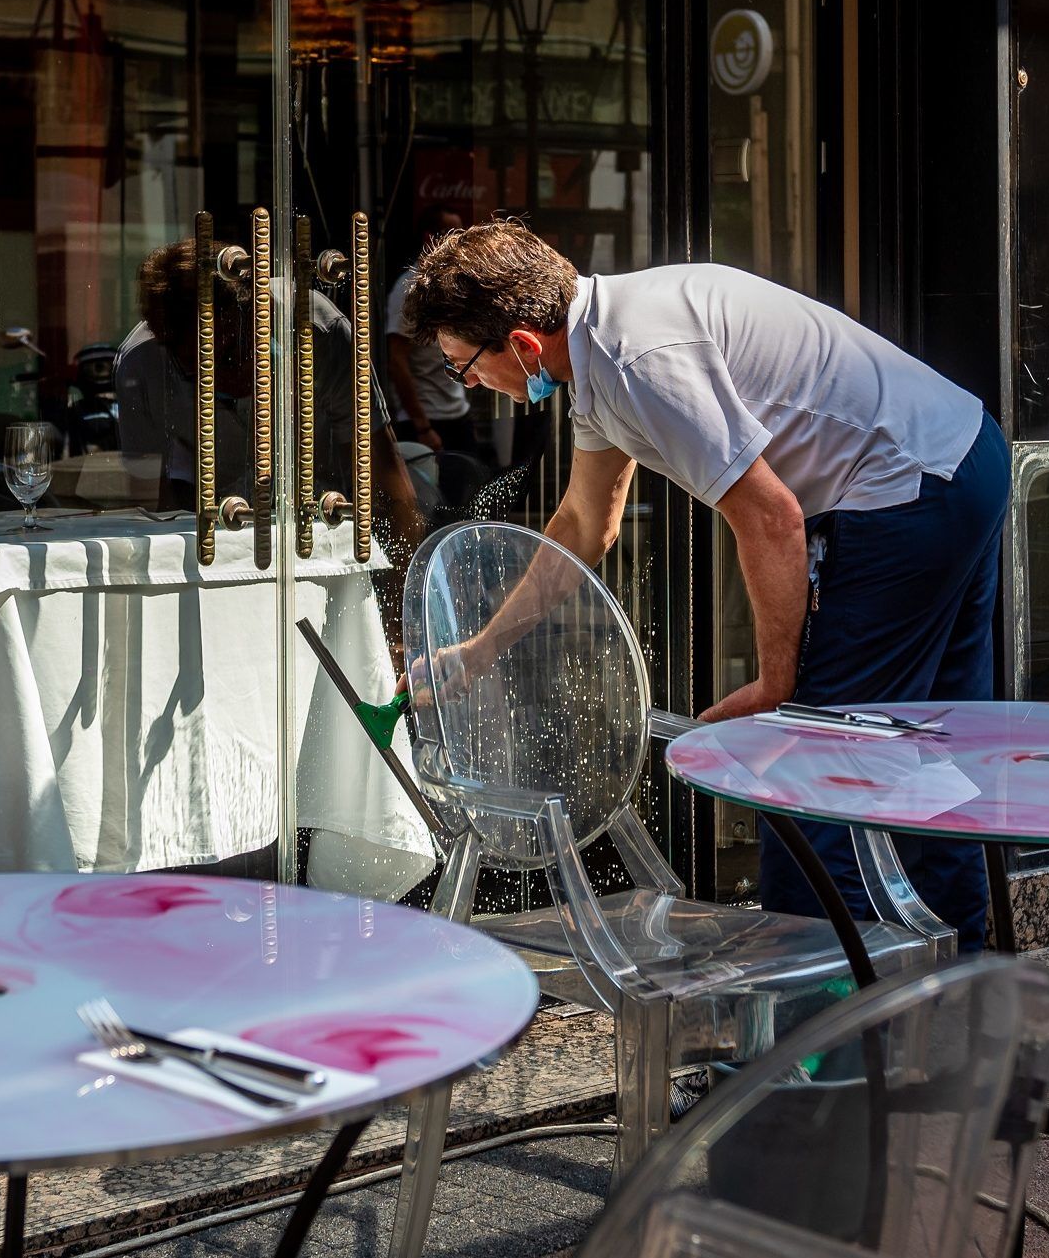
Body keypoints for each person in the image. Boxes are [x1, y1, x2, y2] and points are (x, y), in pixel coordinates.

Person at [403, 220, 1006, 950]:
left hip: (909, 492)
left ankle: (818, 1033)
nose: (475, 387)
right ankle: (966, 989)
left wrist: (778, 686)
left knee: (813, 774)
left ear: (524, 344)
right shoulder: (605, 347)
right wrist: (480, 648)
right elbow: (584, 526)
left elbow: (771, 515)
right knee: (922, 750)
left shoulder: (637, 360)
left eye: (467, 368)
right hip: (960, 456)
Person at [115, 238, 423, 545]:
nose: (230, 377)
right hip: (221, 536)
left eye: (234, 353)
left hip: (325, 529)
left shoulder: (318, 331)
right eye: (202, 371)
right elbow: (152, 510)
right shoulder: (141, 367)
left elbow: (385, 479)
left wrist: (398, 586)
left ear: (258, 313)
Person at [381, 206, 478, 455]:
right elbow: (397, 362)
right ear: (430, 238)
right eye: (451, 233)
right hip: (426, 421)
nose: (459, 241)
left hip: (458, 413)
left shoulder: (454, 284)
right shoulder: (409, 290)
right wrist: (422, 426)